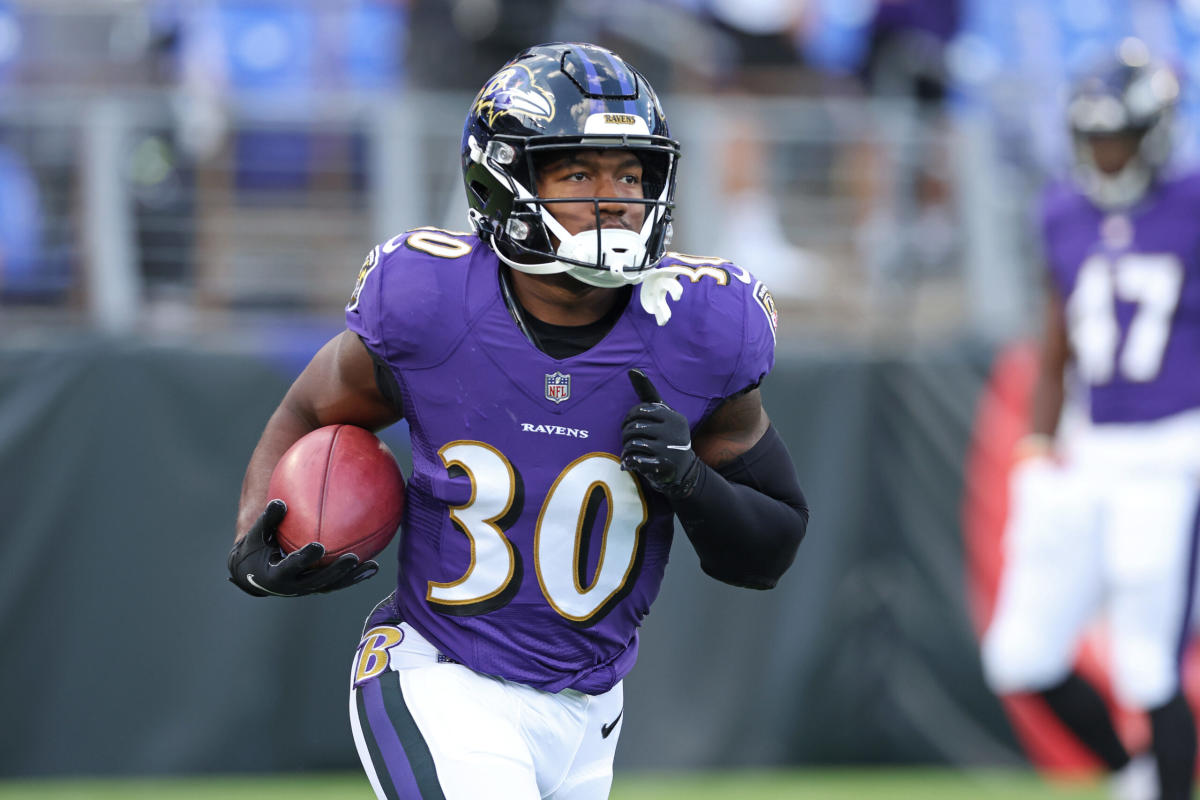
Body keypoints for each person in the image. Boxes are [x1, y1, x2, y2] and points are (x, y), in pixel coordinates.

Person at [227, 42, 808, 799]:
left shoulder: (699, 329)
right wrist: (251, 533)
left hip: (591, 712)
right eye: (578, 173)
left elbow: (766, 552)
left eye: (630, 173)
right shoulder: (428, 305)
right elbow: (306, 410)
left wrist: (690, 480)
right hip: (441, 675)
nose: (616, 199)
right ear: (502, 180)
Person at [980, 41, 1198, 800]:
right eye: (1095, 137)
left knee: (1148, 664)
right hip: (1084, 448)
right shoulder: (1061, 211)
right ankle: (1129, 776)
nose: (1106, 154)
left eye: (1120, 137)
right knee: (1020, 654)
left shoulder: (1192, 200)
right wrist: (1039, 439)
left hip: (1172, 449)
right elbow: (1058, 340)